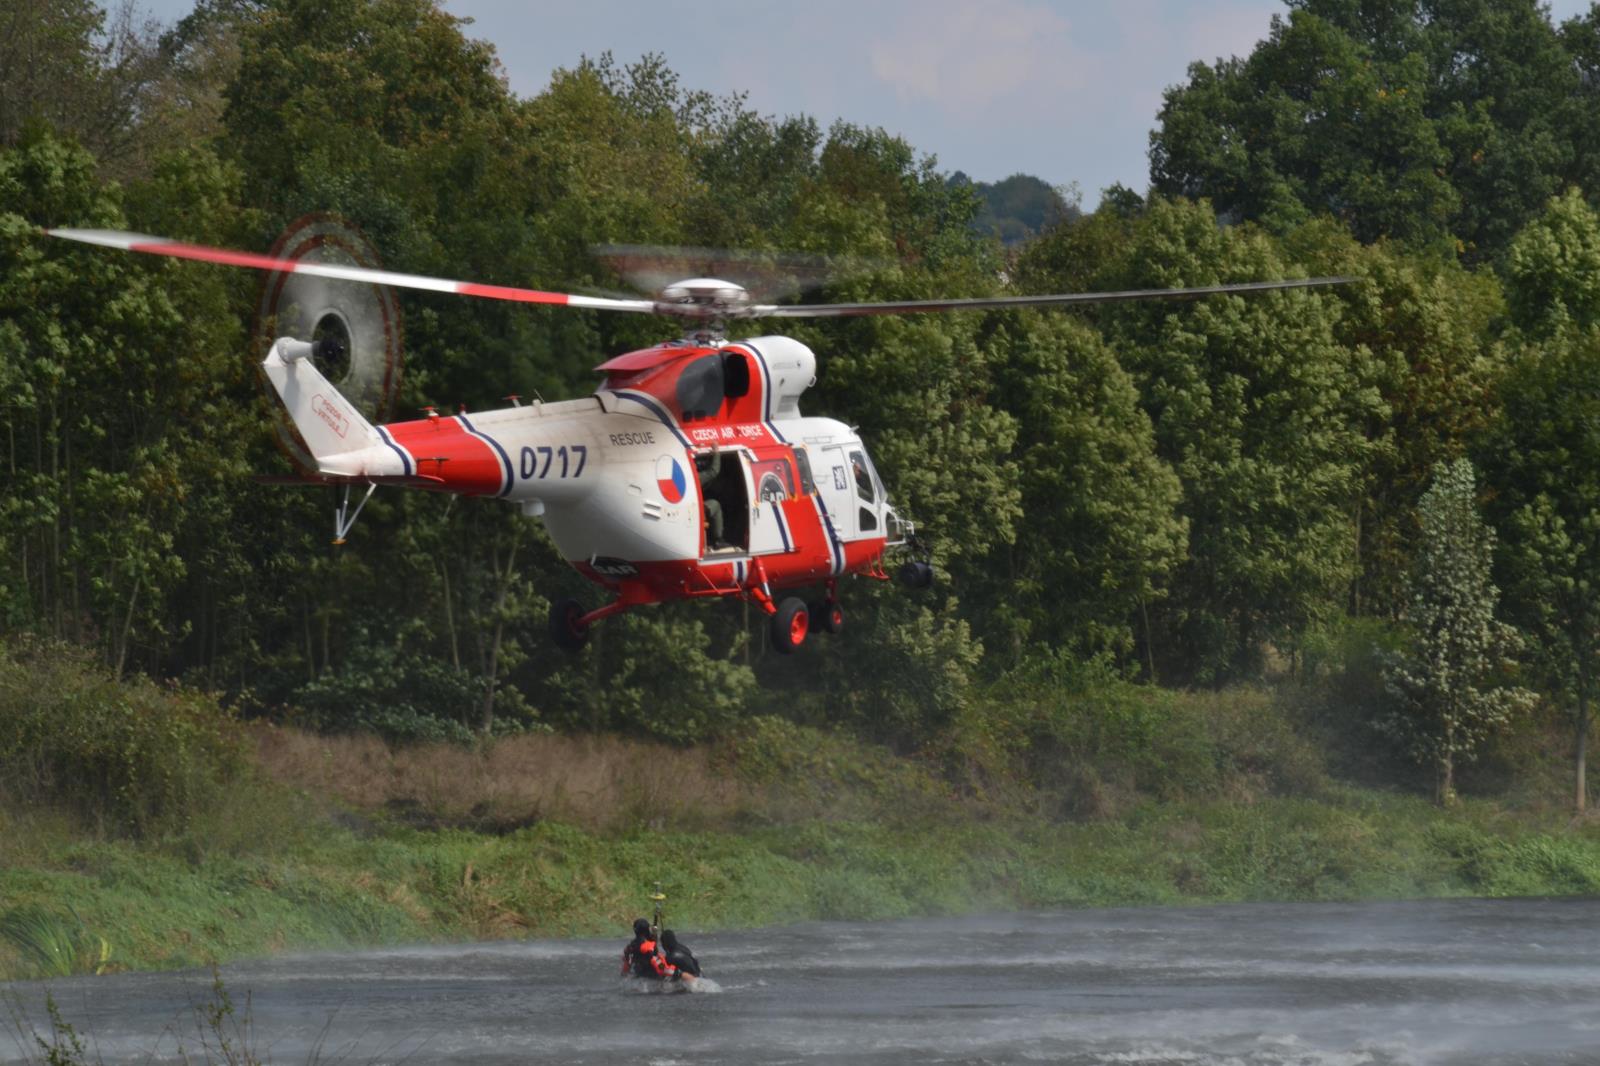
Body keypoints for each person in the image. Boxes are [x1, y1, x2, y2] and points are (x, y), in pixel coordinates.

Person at [696, 448, 725, 548]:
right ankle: (718, 539)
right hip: (695, 509)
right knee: (715, 505)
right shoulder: (697, 476)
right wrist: (716, 453)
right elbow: (714, 471)